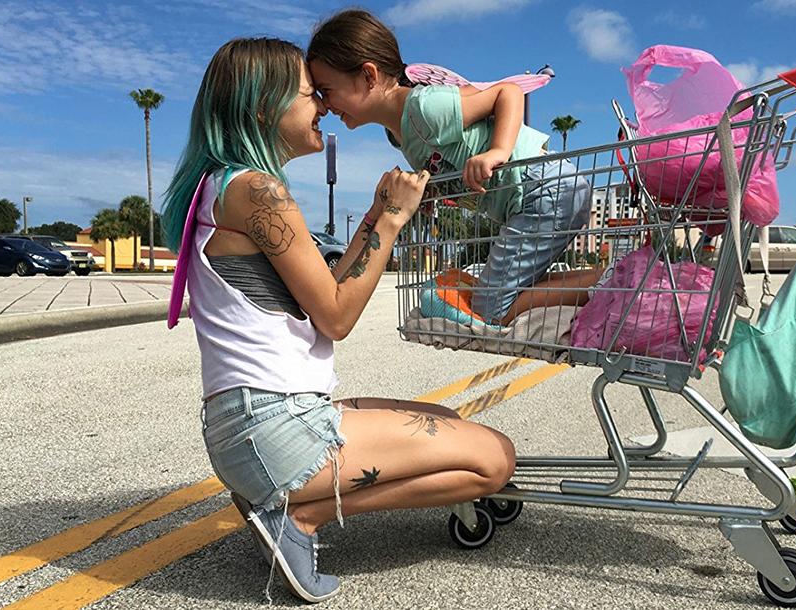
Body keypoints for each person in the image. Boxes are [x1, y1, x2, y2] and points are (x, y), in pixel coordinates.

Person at [161, 38, 516, 604]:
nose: (323, 107)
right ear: (264, 106)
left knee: (446, 419)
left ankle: (277, 498)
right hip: (276, 428)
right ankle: (298, 517)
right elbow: (337, 316)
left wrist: (375, 214)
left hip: (255, 427)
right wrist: (394, 220)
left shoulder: (223, 186)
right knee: (493, 461)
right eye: (311, 94)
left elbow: (323, 295)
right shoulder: (257, 190)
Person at [307, 9, 602, 326]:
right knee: (505, 294)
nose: (324, 104)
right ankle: (614, 279)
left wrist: (498, 151)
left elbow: (508, 92)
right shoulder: (398, 133)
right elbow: (450, 158)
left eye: (327, 90)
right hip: (538, 194)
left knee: (491, 307)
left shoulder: (424, 107)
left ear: (368, 76)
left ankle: (616, 281)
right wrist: (432, 192)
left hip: (542, 189)